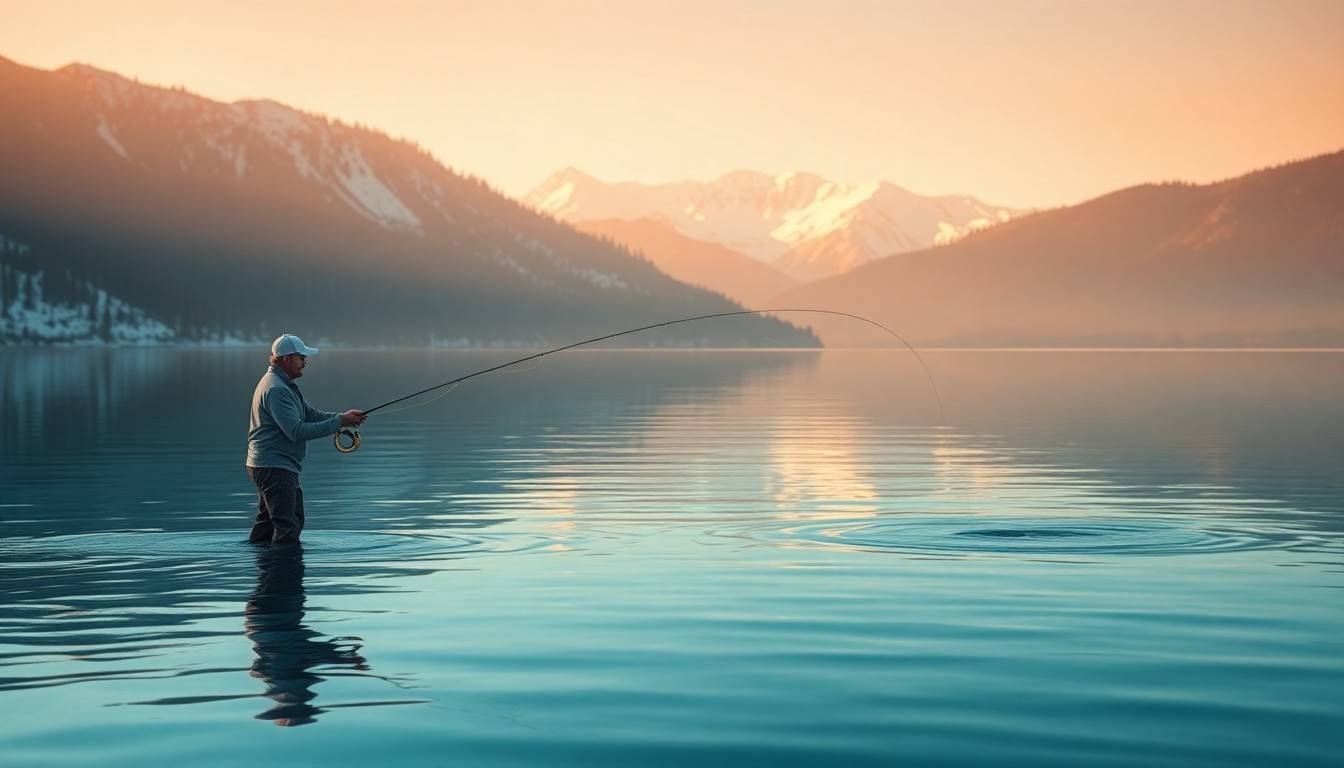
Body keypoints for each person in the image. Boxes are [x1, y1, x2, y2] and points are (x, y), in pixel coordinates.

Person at [246, 333, 366, 545]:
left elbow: (309, 414)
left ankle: (264, 569)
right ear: (286, 359)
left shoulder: (284, 385)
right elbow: (298, 431)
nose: (305, 362)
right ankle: (283, 574)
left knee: (267, 525)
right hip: (275, 466)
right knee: (289, 525)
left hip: (272, 464)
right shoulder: (276, 389)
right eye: (301, 357)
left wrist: (342, 418)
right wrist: (339, 422)